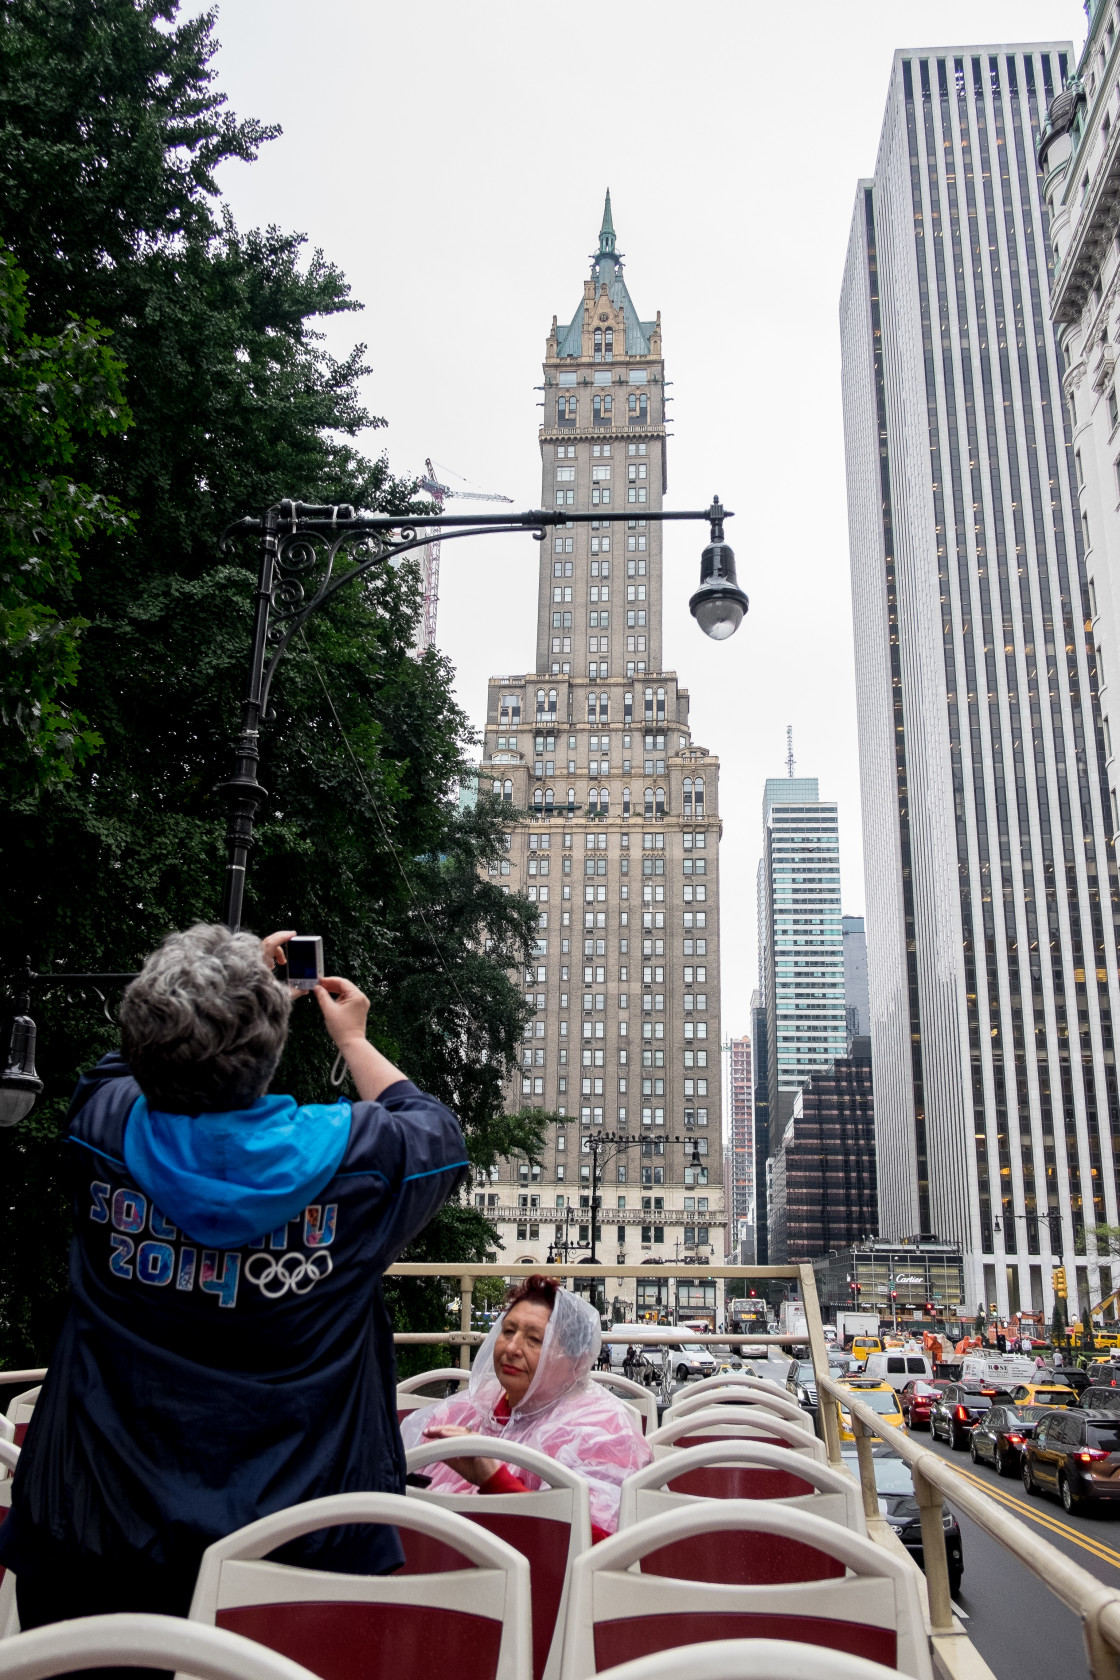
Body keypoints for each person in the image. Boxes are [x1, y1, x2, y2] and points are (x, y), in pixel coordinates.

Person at [0, 923, 468, 1631]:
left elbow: (118, 1066)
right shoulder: (360, 1161)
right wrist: (352, 1039)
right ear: (271, 1046)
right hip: (290, 1559)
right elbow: (433, 1128)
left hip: (91, 1538)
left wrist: (236, 980)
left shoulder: (99, 1127)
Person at [400, 1276, 651, 1536]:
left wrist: (495, 1482)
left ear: (574, 1361)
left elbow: (599, 1550)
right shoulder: (466, 1411)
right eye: (508, 1331)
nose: (511, 1347)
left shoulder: (603, 1430)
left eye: (534, 1340)